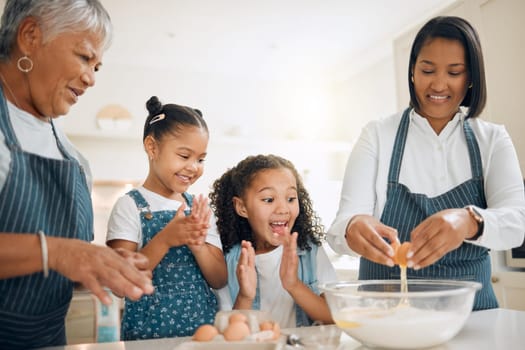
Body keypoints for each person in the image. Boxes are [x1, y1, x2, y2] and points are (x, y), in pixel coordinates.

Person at [327, 16, 525, 311]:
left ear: (470, 77)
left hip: (471, 317)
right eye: (427, 70)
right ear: (412, 72)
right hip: (387, 316)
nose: (439, 84)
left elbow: (517, 225)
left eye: (454, 72)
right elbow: (339, 228)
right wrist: (353, 226)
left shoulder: (492, 139)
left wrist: (469, 221)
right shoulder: (377, 135)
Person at [0, 1, 154, 348]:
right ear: (30, 36)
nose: (91, 78)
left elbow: (59, 269)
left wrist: (100, 266)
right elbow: (59, 254)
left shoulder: (74, 161)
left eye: (97, 66)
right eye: (85, 58)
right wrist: (56, 252)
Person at [106, 96, 227, 340]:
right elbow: (119, 281)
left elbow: (219, 279)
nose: (194, 167)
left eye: (200, 159)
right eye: (184, 156)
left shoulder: (200, 209)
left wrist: (198, 245)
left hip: (202, 336)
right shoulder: (129, 206)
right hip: (147, 337)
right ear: (152, 147)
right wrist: (165, 240)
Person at [209, 154, 337, 328]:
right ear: (242, 207)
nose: (283, 208)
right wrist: (245, 296)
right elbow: (230, 333)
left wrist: (293, 284)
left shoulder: (310, 251)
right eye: (268, 199)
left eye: (291, 199)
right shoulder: (227, 262)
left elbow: (333, 318)